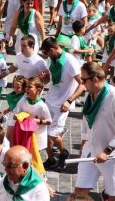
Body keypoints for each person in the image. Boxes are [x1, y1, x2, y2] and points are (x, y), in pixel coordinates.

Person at [73, 62, 115, 201]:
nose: (82, 83)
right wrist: (83, 145)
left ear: (95, 79)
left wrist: (107, 151)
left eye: (84, 80)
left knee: (113, 196)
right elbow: (86, 124)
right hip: (90, 152)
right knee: (79, 193)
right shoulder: (89, 96)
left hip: (112, 156)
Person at [40, 37, 85, 171]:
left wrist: (70, 100)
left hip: (63, 104)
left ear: (52, 50)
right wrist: (44, 79)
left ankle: (63, 153)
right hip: (50, 99)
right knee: (45, 132)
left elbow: (82, 84)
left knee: (52, 135)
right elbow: (51, 79)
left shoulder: (70, 61)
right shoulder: (51, 58)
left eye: (47, 53)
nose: (47, 56)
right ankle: (51, 159)